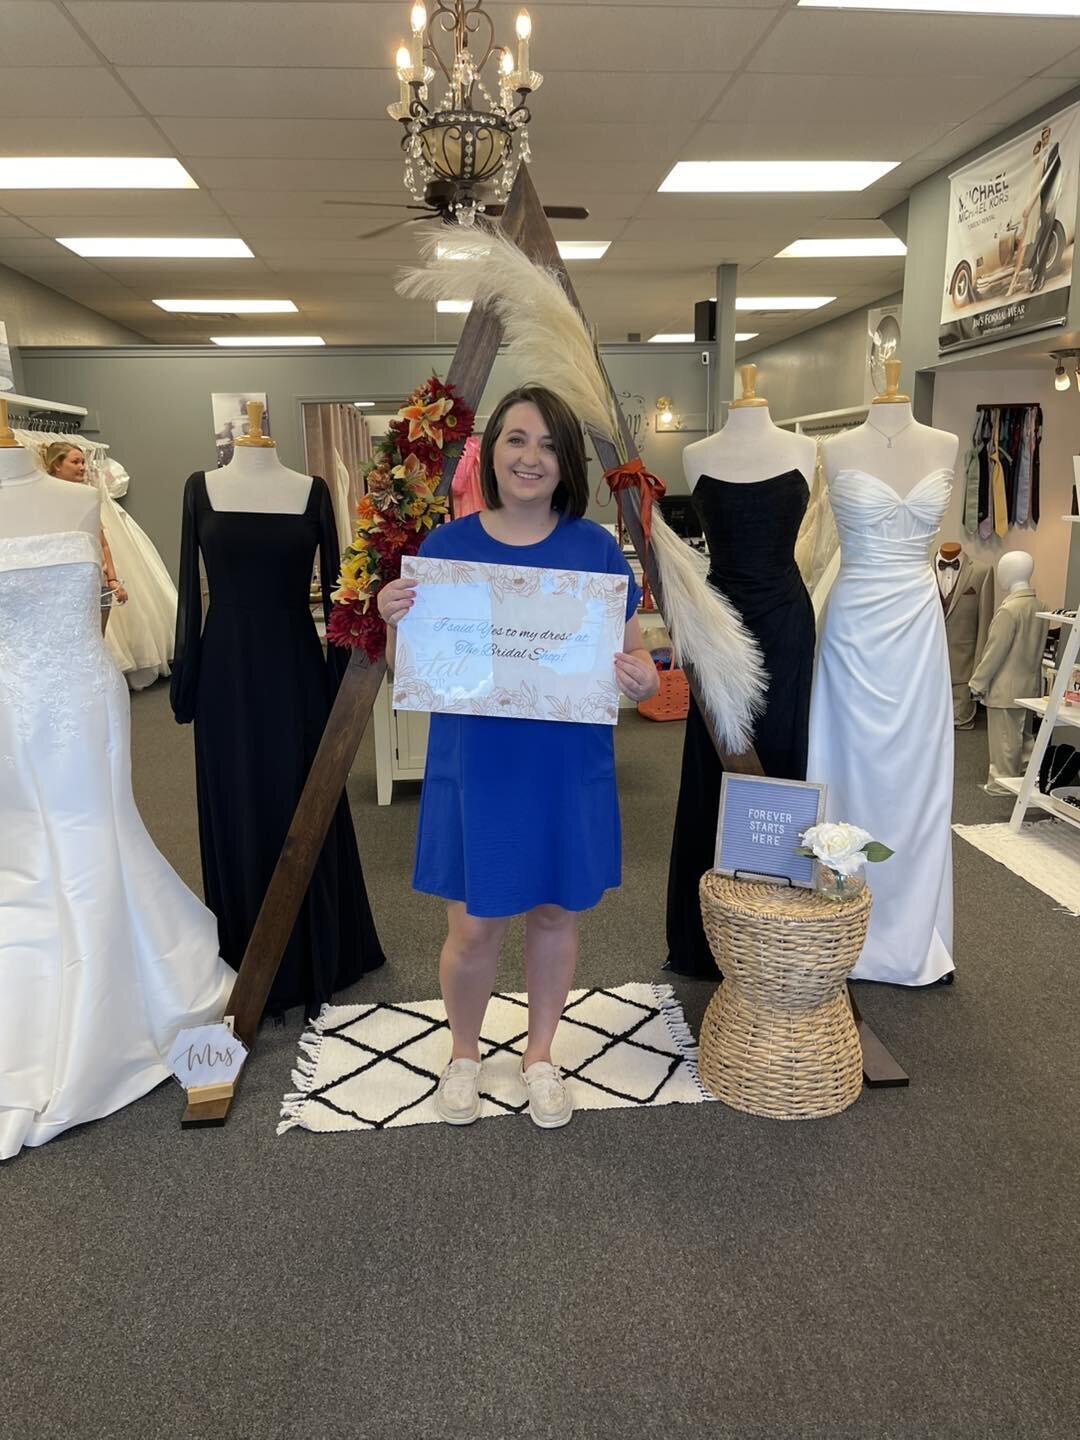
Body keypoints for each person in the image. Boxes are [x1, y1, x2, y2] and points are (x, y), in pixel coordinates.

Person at [378, 385, 658, 1130]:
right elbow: (414, 669)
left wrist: (643, 677)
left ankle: (540, 1055)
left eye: (549, 445)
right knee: (474, 925)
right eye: (517, 439)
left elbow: (633, 656)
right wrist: (393, 620)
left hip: (565, 764)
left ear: (567, 464)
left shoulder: (595, 550)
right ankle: (462, 1054)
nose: (532, 458)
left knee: (555, 913)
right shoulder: (447, 550)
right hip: (479, 765)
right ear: (490, 451)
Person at [44, 441, 127, 632]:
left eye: (83, 462)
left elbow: (102, 542)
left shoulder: (87, 497)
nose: (82, 467)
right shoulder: (47, 499)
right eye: (75, 462)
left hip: (97, 578)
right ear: (57, 465)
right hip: (66, 583)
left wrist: (112, 579)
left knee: (98, 637)